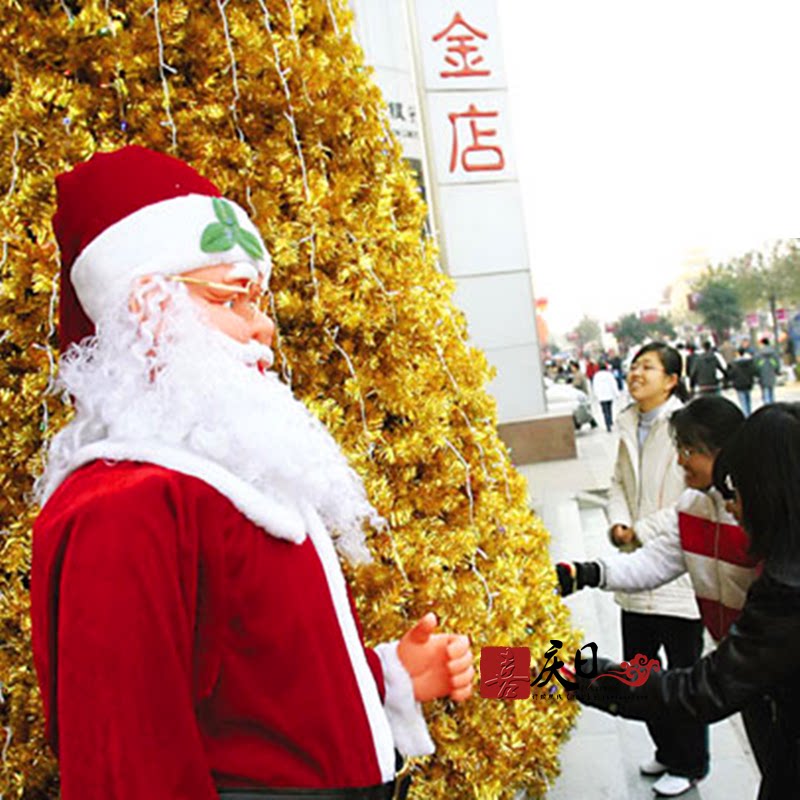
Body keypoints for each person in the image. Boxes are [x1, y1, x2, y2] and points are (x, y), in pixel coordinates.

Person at [30, 146, 474, 800]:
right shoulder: (128, 504)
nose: (263, 326)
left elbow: (256, 688)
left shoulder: (223, 479)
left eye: (258, 300)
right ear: (147, 310)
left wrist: (391, 676)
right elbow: (126, 769)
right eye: (233, 298)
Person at [576, 403, 800, 800]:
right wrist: (587, 573)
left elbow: (700, 691)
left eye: (738, 489)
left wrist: (575, 676)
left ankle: (687, 764)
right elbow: (656, 559)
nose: (731, 503)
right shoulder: (699, 510)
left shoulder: (784, 588)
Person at [604, 342, 705, 796]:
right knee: (638, 670)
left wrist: (641, 530)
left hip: (677, 572)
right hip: (635, 571)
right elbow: (618, 484)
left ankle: (690, 763)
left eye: (647, 367)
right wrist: (618, 522)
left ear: (671, 380)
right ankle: (667, 750)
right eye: (633, 366)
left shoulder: (686, 426)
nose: (636, 374)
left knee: (683, 676)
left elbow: (693, 499)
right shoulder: (628, 422)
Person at [728, 346, 757, 416]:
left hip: (739, 384)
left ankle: (745, 415)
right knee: (748, 400)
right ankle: (749, 414)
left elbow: (731, 374)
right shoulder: (749, 362)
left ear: (738, 353)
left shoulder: (734, 363)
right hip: (748, 383)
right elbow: (753, 371)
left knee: (743, 401)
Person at [591, 361, 619, 432]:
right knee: (609, 409)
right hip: (609, 395)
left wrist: (596, 395)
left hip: (601, 396)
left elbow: (595, 386)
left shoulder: (596, 376)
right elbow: (613, 384)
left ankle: (607, 424)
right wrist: (616, 393)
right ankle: (610, 420)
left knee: (604, 411)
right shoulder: (609, 375)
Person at [754, 337, 781, 405]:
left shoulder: (758, 354)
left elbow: (756, 365)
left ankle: (767, 407)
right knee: (771, 392)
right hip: (771, 375)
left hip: (762, 376)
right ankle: (772, 407)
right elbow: (777, 364)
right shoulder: (774, 353)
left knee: (765, 394)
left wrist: (756, 374)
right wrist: (777, 371)